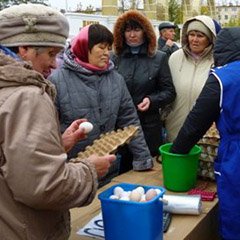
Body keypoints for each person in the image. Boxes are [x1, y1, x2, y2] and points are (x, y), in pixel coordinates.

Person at [0, 4, 116, 239]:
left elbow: (11, 159)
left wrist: (56, 144)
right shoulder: (27, 96)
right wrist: (90, 170)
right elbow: (44, 187)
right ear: (24, 48)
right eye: (51, 54)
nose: (55, 64)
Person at [48, 23, 153, 179]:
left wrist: (143, 158)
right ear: (84, 47)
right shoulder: (57, 81)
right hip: (72, 171)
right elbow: (48, 130)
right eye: (101, 47)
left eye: (108, 48)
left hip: (107, 165)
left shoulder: (116, 79)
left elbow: (129, 120)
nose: (106, 53)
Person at [170, 27, 240, 240]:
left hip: (236, 157)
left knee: (235, 216)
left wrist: (175, 152)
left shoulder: (222, 78)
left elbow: (195, 123)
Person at [111, 10, 176, 165]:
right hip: (120, 129)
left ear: (145, 32)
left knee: (148, 172)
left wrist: (151, 100)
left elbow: (169, 92)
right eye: (128, 30)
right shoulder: (114, 58)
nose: (132, 35)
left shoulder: (159, 57)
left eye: (136, 29)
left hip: (149, 127)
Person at [165, 15, 220, 142]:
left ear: (210, 39)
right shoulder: (174, 58)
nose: (194, 39)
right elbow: (166, 89)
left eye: (200, 36)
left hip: (206, 134)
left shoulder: (218, 62)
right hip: (175, 127)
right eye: (192, 34)